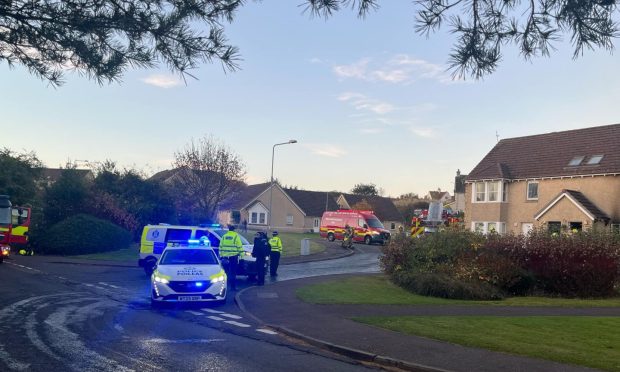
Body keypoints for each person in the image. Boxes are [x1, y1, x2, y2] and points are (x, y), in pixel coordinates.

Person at [219, 225, 244, 290]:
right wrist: (242, 256)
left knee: (225, 272)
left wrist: (221, 255)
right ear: (234, 230)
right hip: (233, 257)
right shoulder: (236, 236)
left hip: (225, 257)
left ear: (229, 230)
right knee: (233, 272)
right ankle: (233, 287)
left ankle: (224, 287)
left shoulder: (224, 237)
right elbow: (239, 247)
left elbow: (220, 247)